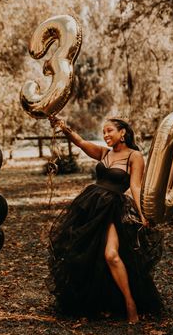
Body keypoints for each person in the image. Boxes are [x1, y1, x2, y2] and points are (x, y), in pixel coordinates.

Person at [47, 116, 164, 323]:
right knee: (90, 255)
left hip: (112, 209)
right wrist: (63, 126)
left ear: (123, 133)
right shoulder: (104, 153)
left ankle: (130, 303)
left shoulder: (134, 156)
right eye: (103, 132)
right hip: (90, 207)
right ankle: (100, 304)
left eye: (109, 130)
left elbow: (136, 187)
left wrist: (144, 214)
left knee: (111, 255)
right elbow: (81, 142)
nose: (105, 135)